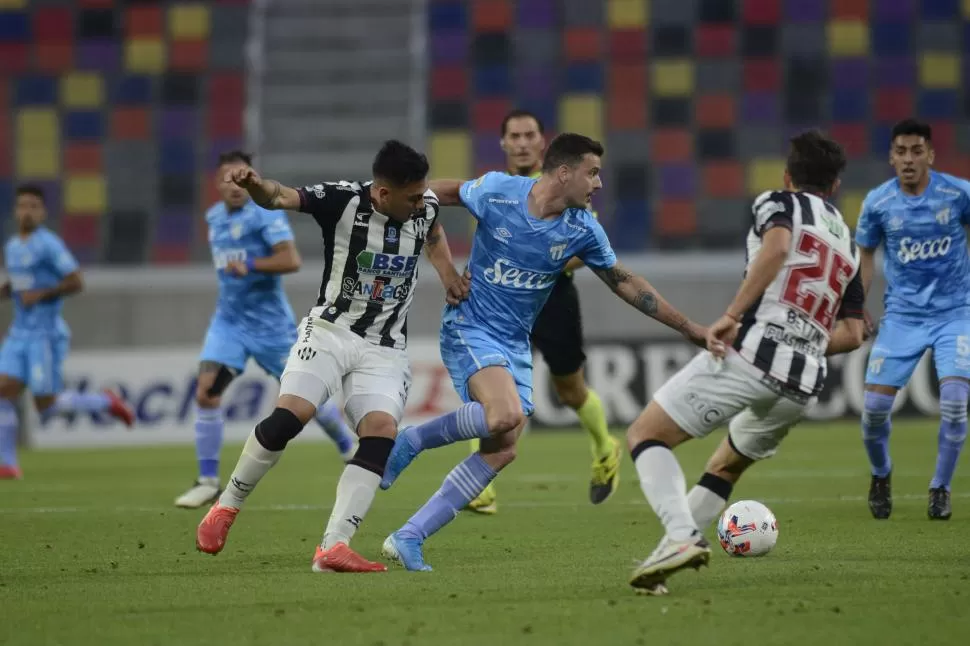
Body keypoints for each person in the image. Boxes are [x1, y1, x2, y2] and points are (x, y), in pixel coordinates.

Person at [376, 133, 708, 572]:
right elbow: (445, 193)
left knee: (503, 447)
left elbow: (625, 281)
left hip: (513, 343)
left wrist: (688, 328)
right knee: (503, 416)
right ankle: (412, 440)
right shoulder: (498, 192)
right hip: (470, 326)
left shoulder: (582, 228)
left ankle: (409, 536)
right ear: (564, 172)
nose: (599, 184)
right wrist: (425, 236)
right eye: (592, 172)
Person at [195, 140, 468, 572]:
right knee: (292, 416)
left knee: (380, 432)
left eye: (423, 195)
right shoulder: (342, 200)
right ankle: (226, 505)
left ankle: (333, 547)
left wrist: (448, 272)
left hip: (385, 345)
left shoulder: (425, 206)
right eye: (412, 197)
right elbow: (281, 197)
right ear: (382, 194)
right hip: (329, 331)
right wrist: (256, 186)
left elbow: (432, 233)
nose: (421, 203)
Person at [624, 130, 866, 594]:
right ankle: (665, 558)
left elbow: (776, 248)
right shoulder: (850, 247)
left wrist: (732, 316)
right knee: (726, 465)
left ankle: (680, 537)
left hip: (755, 355)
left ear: (788, 176)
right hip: (803, 382)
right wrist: (806, 342)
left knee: (645, 435)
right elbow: (853, 334)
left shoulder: (779, 202)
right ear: (835, 186)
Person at [174, 150, 358, 509]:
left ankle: (346, 445)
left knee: (305, 398)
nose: (235, 185)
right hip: (228, 323)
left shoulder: (264, 217)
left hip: (271, 328)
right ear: (217, 183)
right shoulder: (213, 218)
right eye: (228, 178)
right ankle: (208, 480)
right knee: (207, 391)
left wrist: (252, 264)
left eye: (241, 177)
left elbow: (291, 259)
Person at [463, 110, 618, 516]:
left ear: (542, 141)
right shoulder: (496, 189)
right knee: (494, 387)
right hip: (499, 302)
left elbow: (587, 248)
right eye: (513, 135)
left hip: (552, 299)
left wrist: (533, 258)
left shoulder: (567, 187)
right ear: (502, 143)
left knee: (570, 390)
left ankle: (605, 446)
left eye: (529, 134)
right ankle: (481, 483)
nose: (521, 142)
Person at [856, 118, 970, 521]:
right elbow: (866, 255)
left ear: (930, 155)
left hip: (954, 314)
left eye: (916, 151)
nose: (908, 159)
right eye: (901, 152)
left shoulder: (958, 194)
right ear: (891, 157)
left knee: (956, 405)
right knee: (872, 411)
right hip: (901, 317)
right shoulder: (878, 203)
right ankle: (881, 475)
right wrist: (857, 306)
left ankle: (940, 488)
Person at [0, 185, 134, 479]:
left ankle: (106, 402)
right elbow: (19, 284)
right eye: (23, 205)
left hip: (44, 335)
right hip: (18, 333)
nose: (27, 212)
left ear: (43, 212)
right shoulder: (11, 247)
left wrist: (44, 294)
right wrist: (6, 291)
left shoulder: (49, 245)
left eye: (34, 206)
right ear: (15, 210)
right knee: (2, 391)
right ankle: (7, 464)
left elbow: (76, 281)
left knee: (46, 407)